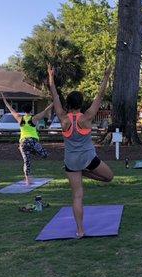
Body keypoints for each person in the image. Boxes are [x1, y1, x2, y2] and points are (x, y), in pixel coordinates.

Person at [47, 64, 114, 238]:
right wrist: (106, 76)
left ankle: (80, 230)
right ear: (81, 103)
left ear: (68, 104)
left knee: (77, 196)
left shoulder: (62, 117)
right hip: (88, 159)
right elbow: (99, 95)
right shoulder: (87, 117)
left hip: (70, 162)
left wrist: (51, 78)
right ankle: (85, 173)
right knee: (109, 177)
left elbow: (54, 95)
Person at [1, 94, 52, 185]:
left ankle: (28, 180)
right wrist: (54, 102)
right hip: (32, 141)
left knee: (26, 161)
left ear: (24, 110)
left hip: (23, 143)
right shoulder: (34, 118)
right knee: (45, 155)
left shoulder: (19, 118)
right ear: (31, 110)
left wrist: (4, 99)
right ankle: (32, 152)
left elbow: (10, 108)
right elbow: (45, 111)